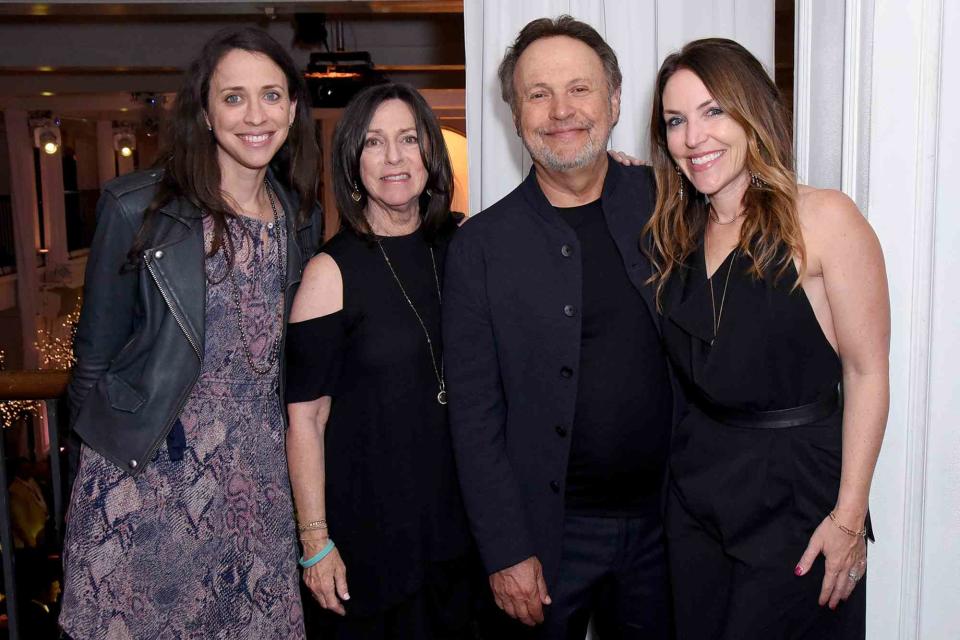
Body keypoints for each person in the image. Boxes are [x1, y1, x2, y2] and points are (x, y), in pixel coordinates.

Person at [59, 27, 322, 638]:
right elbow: (92, 361)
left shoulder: (298, 219)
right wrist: (104, 475)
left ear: (292, 109)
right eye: (233, 98)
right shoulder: (135, 209)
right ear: (204, 112)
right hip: (145, 485)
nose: (255, 116)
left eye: (272, 95)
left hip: (255, 491)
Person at [646, 38, 889, 639]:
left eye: (713, 111)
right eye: (676, 120)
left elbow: (868, 373)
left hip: (796, 499)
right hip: (696, 496)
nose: (693, 137)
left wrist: (850, 516)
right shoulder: (675, 231)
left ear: (752, 112)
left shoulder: (826, 218)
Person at [443, 15, 674, 639]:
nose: (560, 111)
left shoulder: (672, 205)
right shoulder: (480, 249)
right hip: (546, 540)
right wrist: (505, 550)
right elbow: (473, 416)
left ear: (615, 100)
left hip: (671, 528)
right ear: (516, 114)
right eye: (537, 94)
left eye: (579, 89)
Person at [285, 82, 475, 640]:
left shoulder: (461, 245)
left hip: (456, 530)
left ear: (430, 156)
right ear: (352, 162)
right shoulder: (330, 272)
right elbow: (305, 418)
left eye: (408, 139)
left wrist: (612, 170)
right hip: (370, 535)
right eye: (373, 142)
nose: (394, 157)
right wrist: (315, 542)